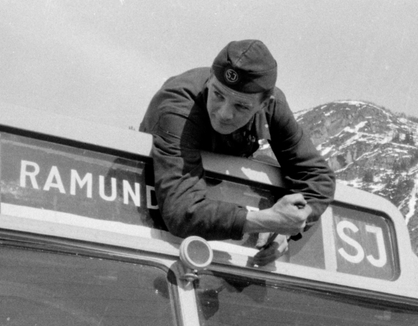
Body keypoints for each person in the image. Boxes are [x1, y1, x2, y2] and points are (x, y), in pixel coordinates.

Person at [140, 39, 335, 251]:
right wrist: (266, 220)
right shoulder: (178, 104)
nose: (224, 113)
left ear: (264, 104)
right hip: (149, 207)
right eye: (218, 95)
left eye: (241, 106)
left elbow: (318, 177)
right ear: (210, 80)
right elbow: (181, 211)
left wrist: (288, 226)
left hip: (213, 205)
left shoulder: (273, 106)